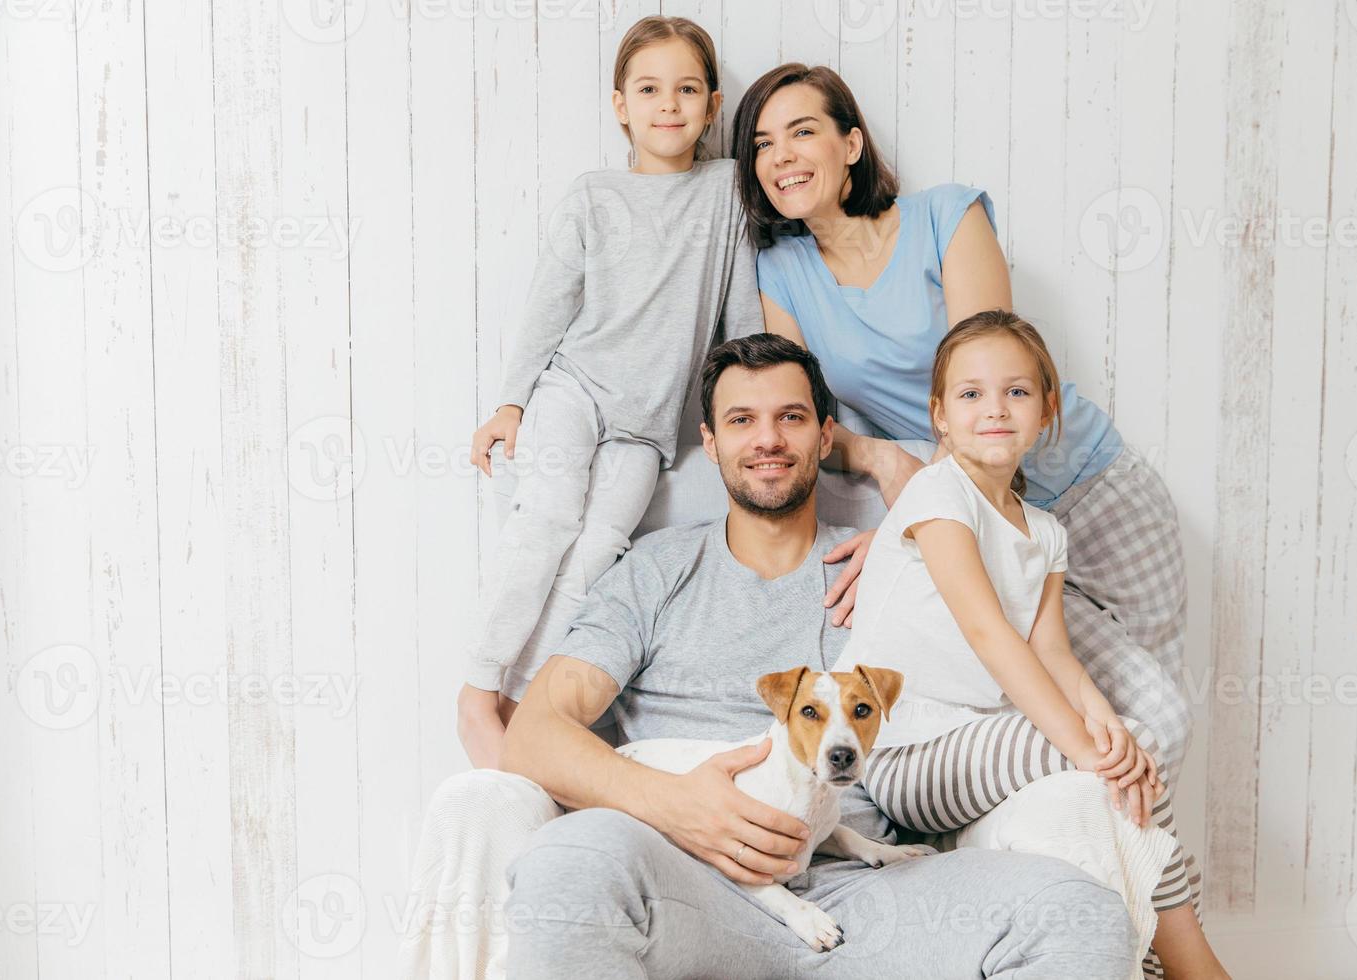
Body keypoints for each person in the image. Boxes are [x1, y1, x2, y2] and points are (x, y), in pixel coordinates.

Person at [488, 334, 1138, 978]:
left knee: (1077, 913)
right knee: (568, 859)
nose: (767, 439)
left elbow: (1003, 623)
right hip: (688, 880)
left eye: (791, 417)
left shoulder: (896, 561)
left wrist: (892, 522)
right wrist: (675, 805)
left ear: (826, 438)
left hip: (867, 888)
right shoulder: (654, 573)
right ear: (711, 443)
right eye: (742, 420)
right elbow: (533, 737)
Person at [728, 62, 1198, 920]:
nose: (780, 156)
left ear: (852, 141)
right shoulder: (784, 271)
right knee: (1126, 725)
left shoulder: (949, 215)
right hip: (987, 520)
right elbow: (809, 419)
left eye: (801, 130)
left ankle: (1138, 930)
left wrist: (924, 510)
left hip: (1086, 490)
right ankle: (1088, 917)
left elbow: (986, 373)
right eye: (761, 143)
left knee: (1146, 723)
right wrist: (889, 477)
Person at [833, 310, 1229, 978]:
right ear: (939, 416)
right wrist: (1085, 747)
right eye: (971, 394)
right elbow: (988, 634)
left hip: (976, 738)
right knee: (1115, 764)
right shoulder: (938, 496)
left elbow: (1053, 652)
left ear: (1047, 411)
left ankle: (1154, 967)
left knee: (1131, 753)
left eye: (1016, 392)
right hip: (905, 752)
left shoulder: (1044, 530)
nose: (994, 409)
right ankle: (1198, 968)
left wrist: (1105, 725)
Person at [456, 16, 764, 769]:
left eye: (687, 89)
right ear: (621, 105)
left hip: (647, 424)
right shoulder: (594, 195)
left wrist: (744, 411)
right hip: (575, 389)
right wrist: (511, 403)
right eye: (649, 89)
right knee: (548, 521)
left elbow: (741, 311)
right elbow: (550, 303)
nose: (669, 104)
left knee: (599, 552)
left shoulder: (726, 194)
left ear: (713, 104)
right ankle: (476, 688)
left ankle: (525, 703)